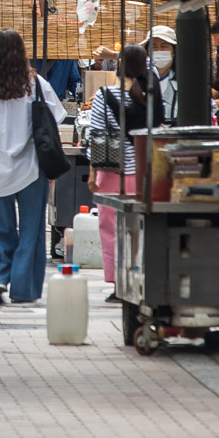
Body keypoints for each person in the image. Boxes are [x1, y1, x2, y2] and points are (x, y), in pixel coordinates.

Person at [0, 30, 64, 304]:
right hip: (31, 169)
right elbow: (54, 122)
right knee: (32, 230)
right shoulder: (36, 84)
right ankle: (23, 288)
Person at [83, 45, 166, 297]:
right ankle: (141, 278)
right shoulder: (150, 95)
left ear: (119, 67)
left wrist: (91, 173)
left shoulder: (105, 95)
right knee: (141, 229)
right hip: (144, 174)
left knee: (112, 230)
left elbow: (95, 136)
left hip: (112, 174)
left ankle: (120, 284)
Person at [149, 24, 180, 121]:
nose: (158, 51)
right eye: (154, 46)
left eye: (164, 46)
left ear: (173, 52)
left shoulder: (187, 83)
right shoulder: (139, 81)